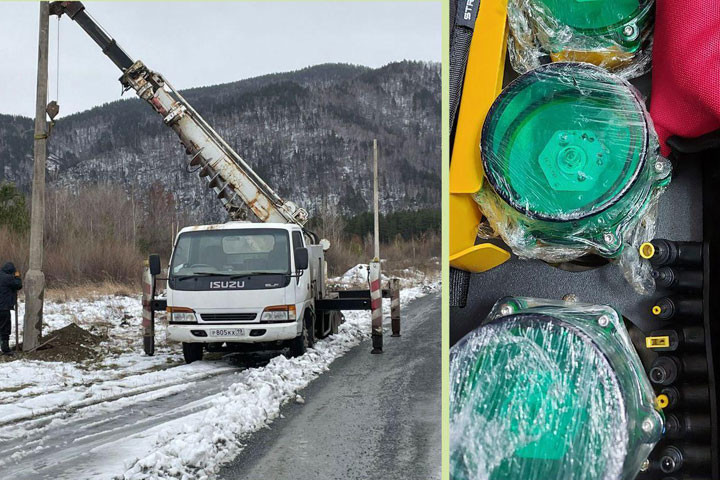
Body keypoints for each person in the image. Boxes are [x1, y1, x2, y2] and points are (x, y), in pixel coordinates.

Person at [0, 262, 22, 355]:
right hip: (3, 307)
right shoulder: (8, 278)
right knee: (5, 328)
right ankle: (5, 349)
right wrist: (17, 276)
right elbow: (18, 285)